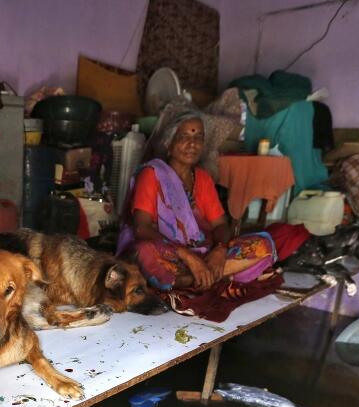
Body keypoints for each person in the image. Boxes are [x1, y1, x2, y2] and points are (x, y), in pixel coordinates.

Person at [116, 114, 276, 291]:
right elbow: (141, 228)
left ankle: (195, 279)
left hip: (203, 254)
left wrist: (220, 251)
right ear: (169, 144)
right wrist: (187, 256)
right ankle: (209, 276)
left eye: (198, 138)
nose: (192, 144)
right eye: (184, 137)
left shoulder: (203, 178)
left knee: (263, 244)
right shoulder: (152, 174)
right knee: (143, 251)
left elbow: (221, 225)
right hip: (170, 254)